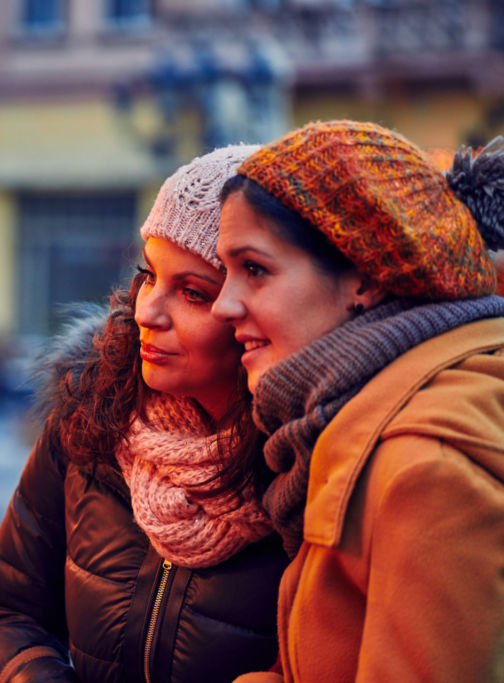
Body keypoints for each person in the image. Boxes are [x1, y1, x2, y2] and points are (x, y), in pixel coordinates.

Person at [0, 145, 289, 682]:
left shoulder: (305, 471)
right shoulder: (93, 414)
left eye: (192, 292)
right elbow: (6, 609)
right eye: (149, 275)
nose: (146, 310)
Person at [211, 122, 504, 682]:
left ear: (364, 280)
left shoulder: (426, 467)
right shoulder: (354, 422)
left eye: (254, 269)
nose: (225, 305)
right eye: (226, 273)